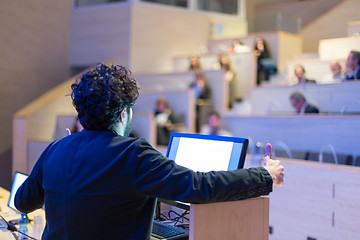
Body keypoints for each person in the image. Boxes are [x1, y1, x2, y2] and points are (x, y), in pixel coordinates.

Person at [15, 64, 284, 240]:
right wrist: (264, 175)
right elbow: (200, 186)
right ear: (123, 113)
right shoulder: (132, 154)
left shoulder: (55, 149)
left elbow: (23, 202)